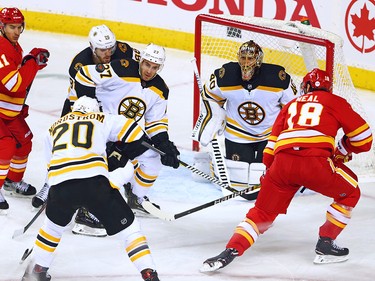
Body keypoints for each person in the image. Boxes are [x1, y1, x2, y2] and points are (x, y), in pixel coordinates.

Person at [200, 68, 373, 272]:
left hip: (281, 165)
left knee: (261, 213)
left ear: (307, 86)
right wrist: (341, 150)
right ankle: (326, 242)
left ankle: (230, 251)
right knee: (351, 192)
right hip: (315, 163)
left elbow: (271, 146)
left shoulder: (291, 105)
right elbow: (364, 139)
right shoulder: (335, 101)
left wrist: (268, 174)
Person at [22, 96, 160, 281]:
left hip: (60, 186)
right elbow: (131, 129)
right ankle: (148, 272)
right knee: (130, 231)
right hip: (95, 185)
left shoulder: (52, 128)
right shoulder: (100, 118)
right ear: (94, 111)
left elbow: (51, 165)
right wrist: (133, 148)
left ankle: (37, 271)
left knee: (51, 229)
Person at [59, 43, 179, 237]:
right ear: (141, 60)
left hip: (128, 133)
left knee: (154, 160)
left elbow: (156, 121)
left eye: (154, 67)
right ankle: (87, 213)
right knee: (109, 168)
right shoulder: (121, 68)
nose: (149, 70)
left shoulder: (160, 89)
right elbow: (83, 75)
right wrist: (89, 105)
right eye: (147, 64)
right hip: (102, 130)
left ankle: (135, 198)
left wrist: (164, 143)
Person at [31, 24, 140, 235]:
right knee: (67, 148)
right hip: (79, 108)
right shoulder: (79, 64)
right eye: (103, 50)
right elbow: (87, 102)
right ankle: (50, 184)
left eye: (111, 48)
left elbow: (139, 63)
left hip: (108, 103)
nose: (109, 52)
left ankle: (105, 189)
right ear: (92, 48)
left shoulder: (123, 50)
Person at [192, 40, 298, 200]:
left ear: (259, 60)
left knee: (265, 175)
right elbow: (209, 97)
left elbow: (293, 106)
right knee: (239, 179)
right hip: (237, 133)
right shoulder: (225, 75)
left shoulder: (278, 79)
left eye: (250, 58)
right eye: (243, 58)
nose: (246, 62)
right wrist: (214, 115)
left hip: (269, 134)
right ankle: (212, 164)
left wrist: (287, 133)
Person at [0, 7, 49, 214]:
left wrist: (33, 62)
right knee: (6, 146)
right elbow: (14, 84)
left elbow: (20, 77)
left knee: (24, 142)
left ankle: (12, 180)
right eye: (12, 27)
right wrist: (31, 62)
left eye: (20, 27)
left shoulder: (14, 46)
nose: (17, 31)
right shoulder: (1, 48)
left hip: (9, 112)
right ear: (2, 27)